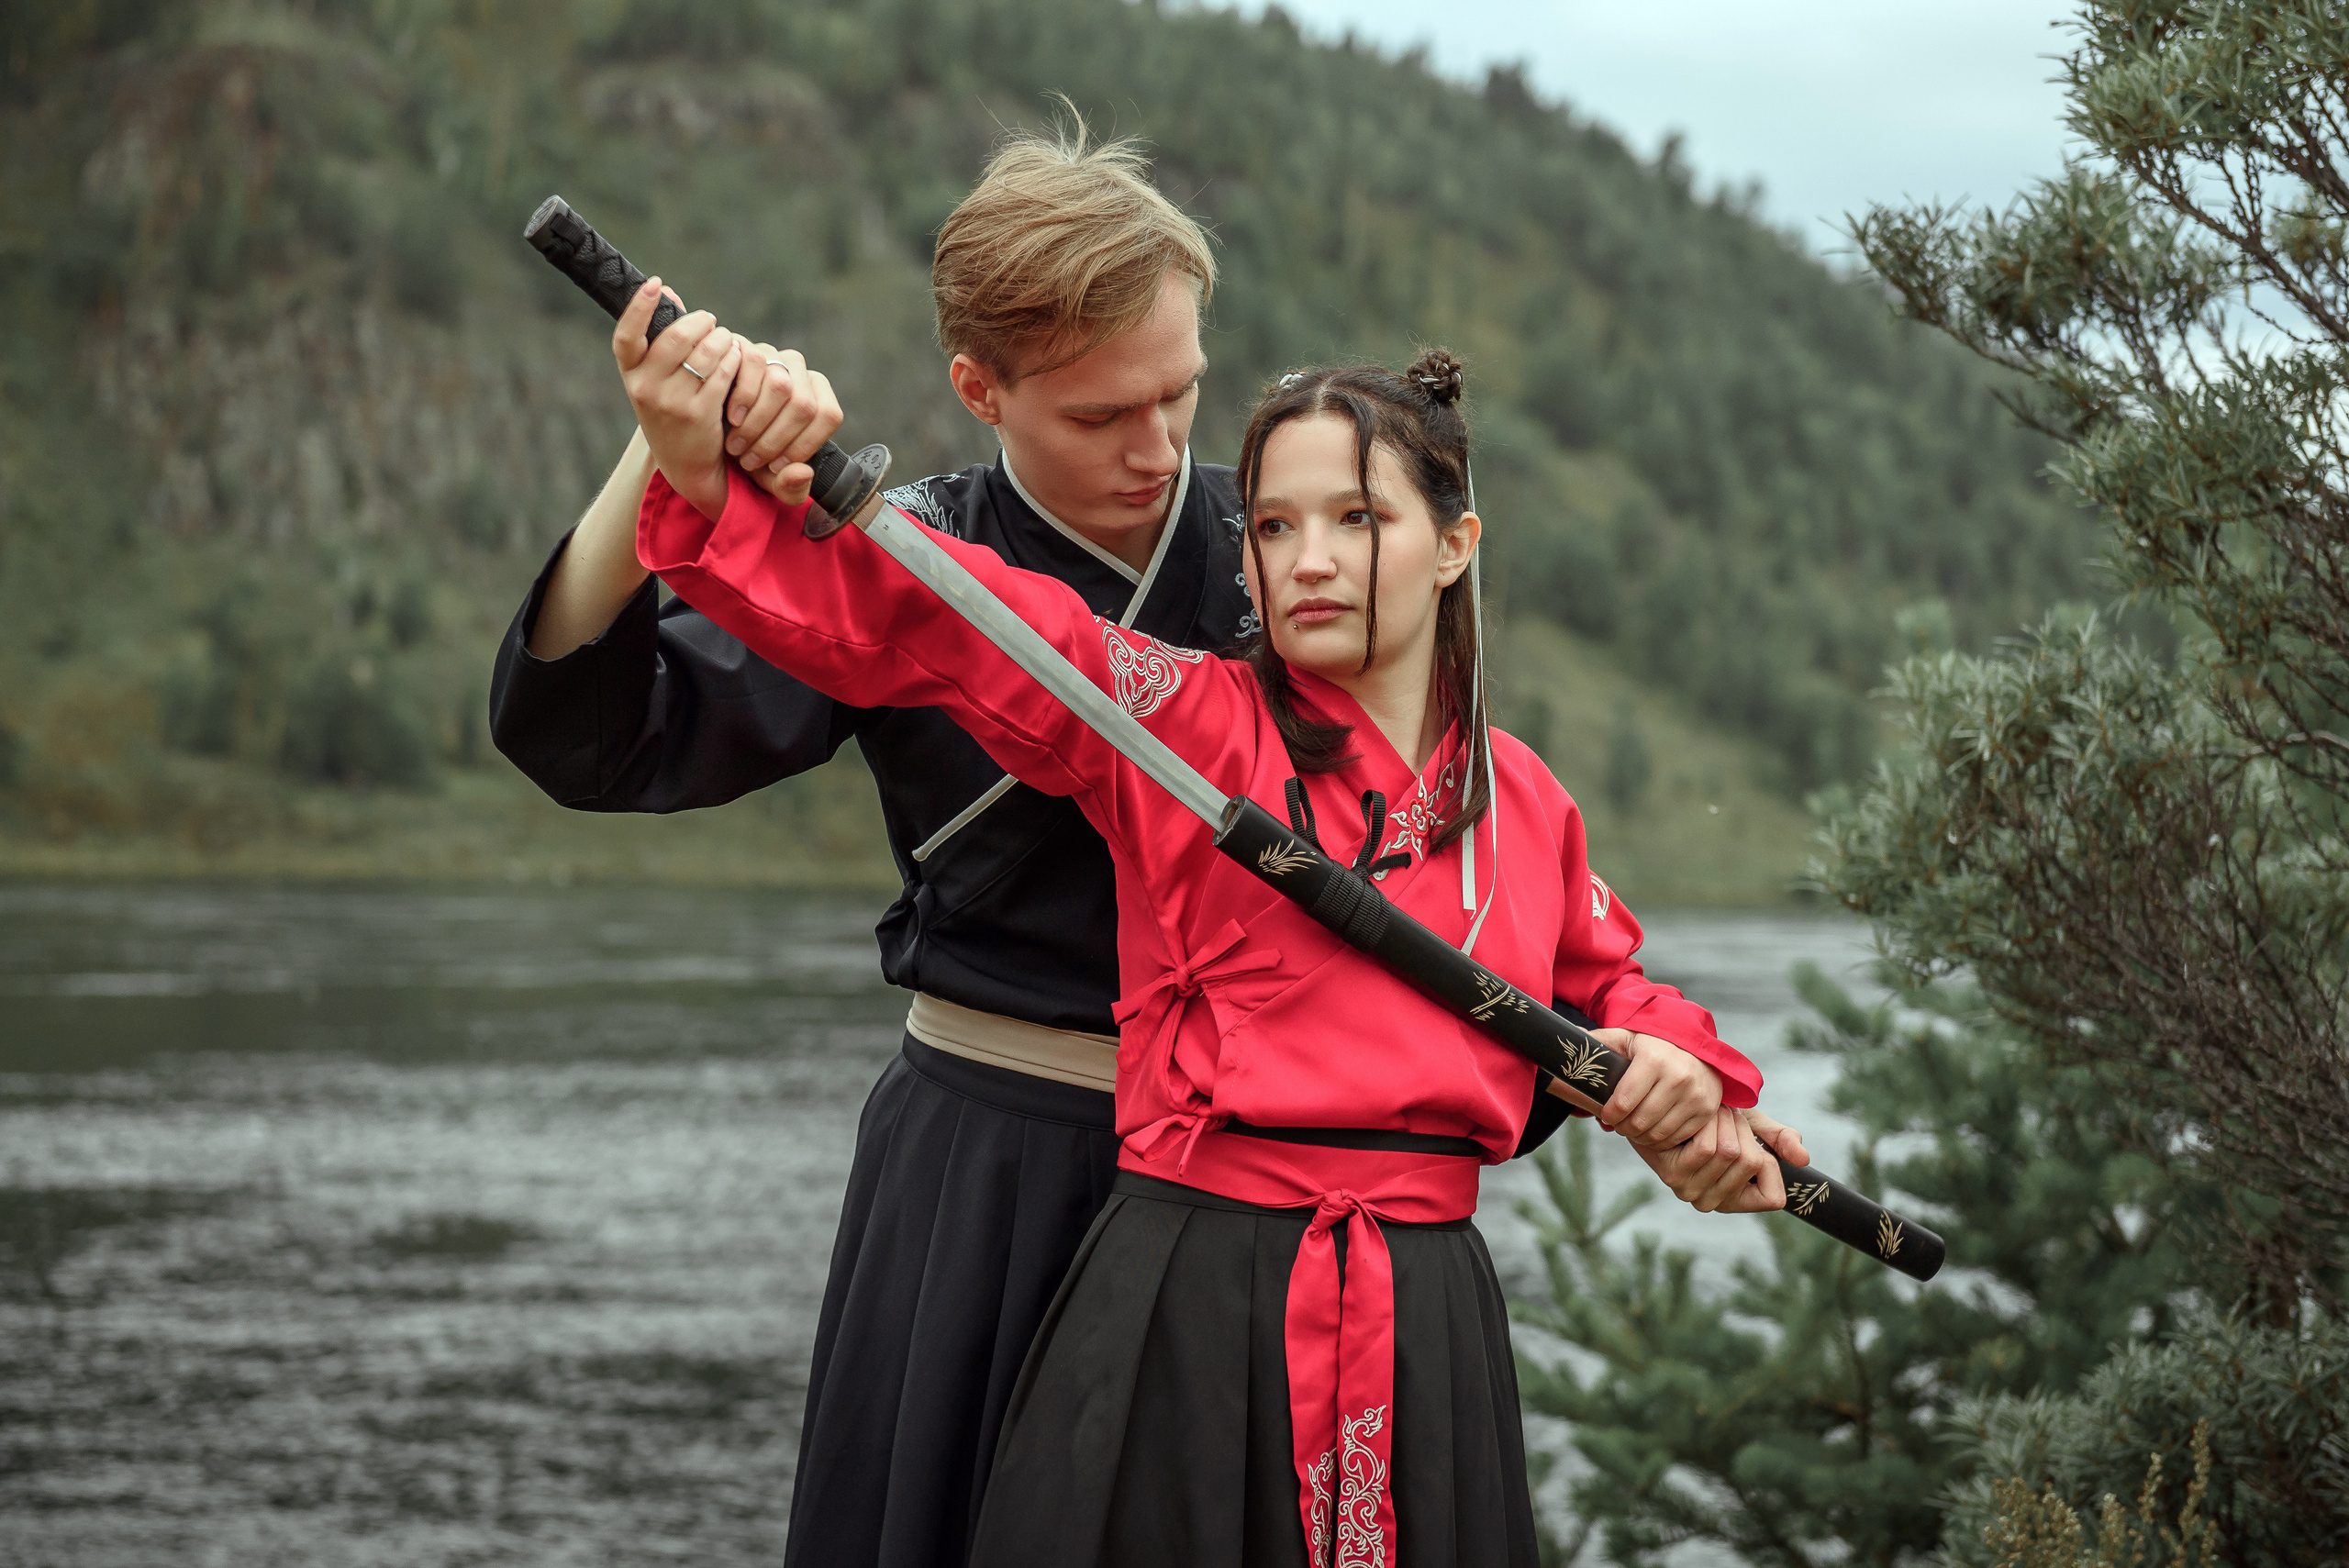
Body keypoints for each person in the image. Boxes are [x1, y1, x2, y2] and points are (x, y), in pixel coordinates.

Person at [620, 306, 1812, 1566]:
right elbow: (950, 618)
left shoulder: (1517, 797)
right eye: (1274, 526)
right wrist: (719, 483)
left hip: (1427, 1315)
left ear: (1455, 546)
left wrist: (1683, 1075)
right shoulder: (1172, 721)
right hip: (1193, 1299)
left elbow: (1610, 983)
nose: (1309, 560)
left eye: (1357, 519)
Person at [490, 124, 1253, 1566]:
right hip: (983, 1175)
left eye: (1182, 393)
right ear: (981, 389)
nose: (1158, 451)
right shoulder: (893, 557)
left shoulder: (1289, 546)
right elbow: (601, 742)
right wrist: (664, 453)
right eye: (1102, 415)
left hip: (1252, 1179)